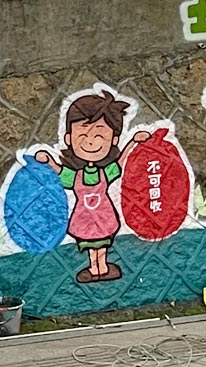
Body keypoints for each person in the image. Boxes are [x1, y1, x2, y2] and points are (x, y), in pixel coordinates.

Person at [35, 90, 150, 283]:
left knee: (102, 245)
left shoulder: (104, 173)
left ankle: (102, 267)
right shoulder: (76, 176)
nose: (91, 141)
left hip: (103, 217)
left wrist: (132, 142)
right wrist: (48, 161)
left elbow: (120, 162)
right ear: (68, 138)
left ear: (114, 140)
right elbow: (61, 173)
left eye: (99, 135)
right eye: (83, 134)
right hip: (85, 218)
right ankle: (94, 267)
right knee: (91, 246)